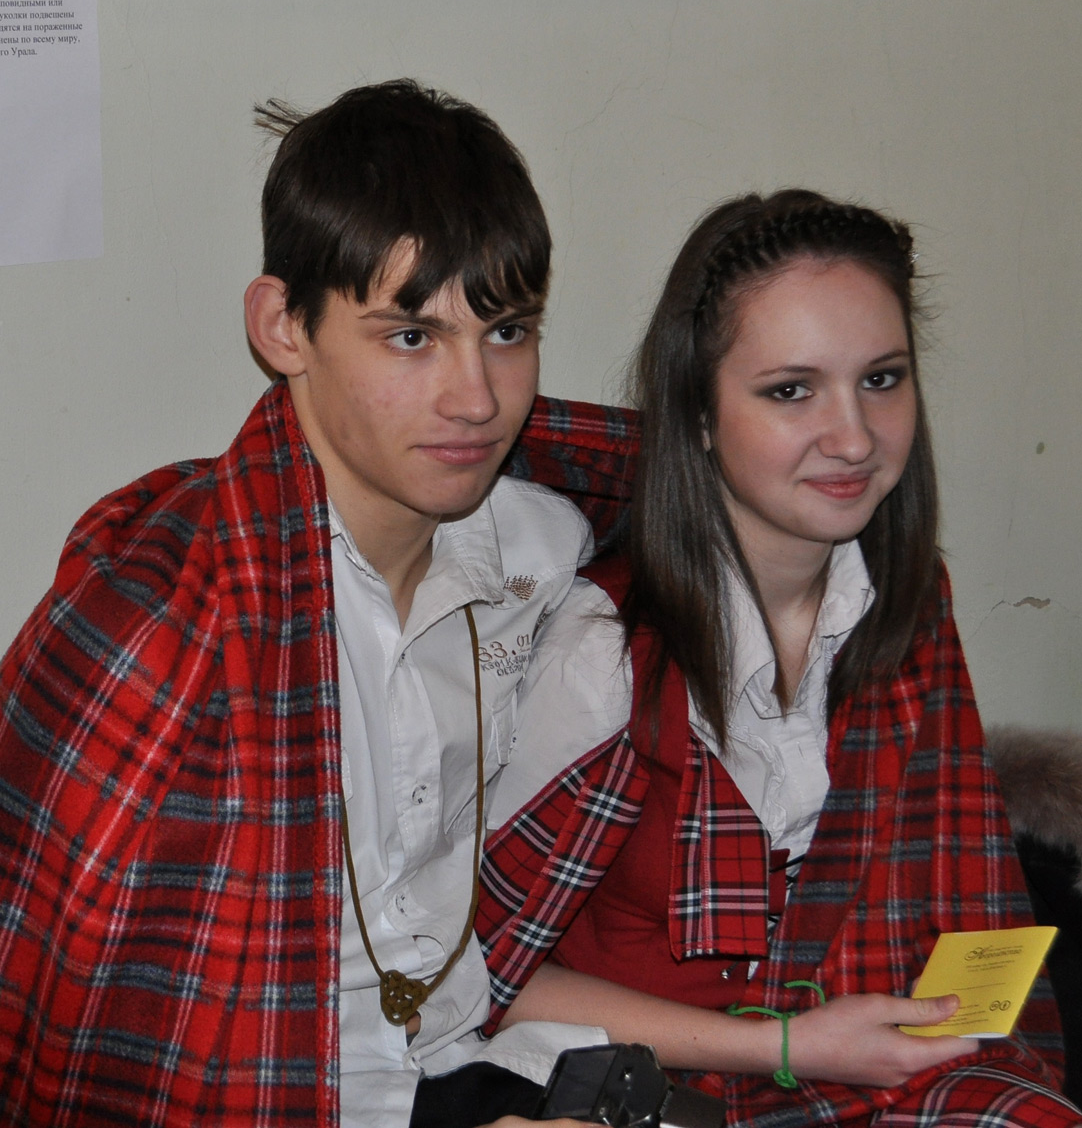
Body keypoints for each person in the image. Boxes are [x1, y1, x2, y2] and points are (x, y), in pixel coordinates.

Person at [0, 80, 607, 1128]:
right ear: (283, 328)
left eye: (507, 331)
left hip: (475, 1061)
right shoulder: (156, 621)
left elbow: (722, 481)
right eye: (410, 337)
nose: (476, 398)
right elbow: (65, 1026)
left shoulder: (547, 547)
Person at [479, 190, 1081, 1126]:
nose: (854, 437)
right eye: (791, 390)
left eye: (881, 379)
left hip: (864, 1059)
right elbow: (482, 984)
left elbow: (960, 909)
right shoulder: (605, 652)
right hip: (647, 1091)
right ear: (700, 413)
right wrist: (790, 1046)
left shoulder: (910, 603)